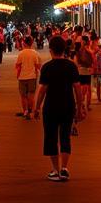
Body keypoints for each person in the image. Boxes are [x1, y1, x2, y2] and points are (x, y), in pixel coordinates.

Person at [34, 35, 83, 181]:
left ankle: (55, 170)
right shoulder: (71, 66)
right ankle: (65, 168)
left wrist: (36, 107)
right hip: (68, 105)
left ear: (50, 50)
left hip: (51, 106)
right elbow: (77, 88)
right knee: (65, 136)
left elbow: (43, 90)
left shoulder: (47, 67)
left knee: (51, 137)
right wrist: (79, 107)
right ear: (64, 49)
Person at [15, 35, 41, 119]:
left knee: (23, 96)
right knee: (31, 95)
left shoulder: (21, 53)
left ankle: (25, 111)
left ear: (24, 43)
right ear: (32, 43)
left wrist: (18, 75)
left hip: (22, 77)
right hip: (32, 77)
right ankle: (31, 111)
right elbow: (38, 65)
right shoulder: (35, 53)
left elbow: (18, 65)